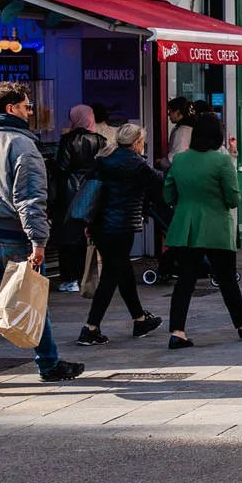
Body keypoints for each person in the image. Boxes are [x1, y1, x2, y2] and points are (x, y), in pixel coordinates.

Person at [0, 83, 84, 394]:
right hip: (15, 233)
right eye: (25, 106)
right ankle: (48, 363)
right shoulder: (22, 145)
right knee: (32, 297)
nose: (30, 111)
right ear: (10, 109)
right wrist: (38, 240)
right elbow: (30, 197)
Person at [161, 115, 242, 349]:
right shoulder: (221, 161)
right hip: (215, 227)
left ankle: (177, 331)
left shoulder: (179, 160)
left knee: (185, 281)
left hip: (185, 227)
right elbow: (233, 198)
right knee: (226, 278)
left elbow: (168, 194)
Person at [77, 123, 163, 345]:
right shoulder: (135, 164)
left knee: (123, 273)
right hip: (120, 227)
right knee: (110, 277)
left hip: (100, 226)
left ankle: (140, 319)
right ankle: (91, 327)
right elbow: (160, 182)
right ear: (137, 143)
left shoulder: (104, 158)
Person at [51, 105, 106, 292]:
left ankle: (69, 278)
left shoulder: (67, 140)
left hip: (69, 192)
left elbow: (61, 168)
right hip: (92, 192)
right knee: (88, 237)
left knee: (68, 239)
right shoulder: (101, 141)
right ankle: (86, 277)